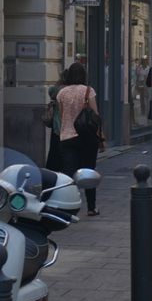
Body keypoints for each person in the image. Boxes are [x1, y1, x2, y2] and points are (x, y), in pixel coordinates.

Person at [56, 63, 103, 216]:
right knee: (88, 172)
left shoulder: (62, 93)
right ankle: (91, 207)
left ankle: (69, 207)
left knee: (69, 173)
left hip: (67, 136)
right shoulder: (88, 91)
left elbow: (63, 115)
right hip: (87, 138)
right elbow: (95, 115)